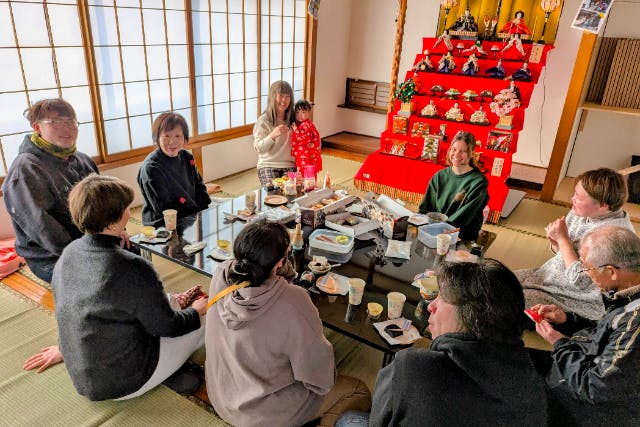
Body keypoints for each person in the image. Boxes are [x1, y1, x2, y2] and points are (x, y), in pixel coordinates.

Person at [22, 175, 207, 400]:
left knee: (165, 300)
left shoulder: (70, 252)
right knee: (210, 317)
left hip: (84, 372)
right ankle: (169, 370)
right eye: (127, 208)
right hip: (124, 380)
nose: (130, 213)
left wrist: (67, 349)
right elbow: (168, 327)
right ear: (111, 223)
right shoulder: (133, 267)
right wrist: (197, 310)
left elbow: (73, 310)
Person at [337, 260, 547, 426]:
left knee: (349, 419)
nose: (431, 306)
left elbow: (378, 422)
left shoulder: (413, 368)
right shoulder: (536, 377)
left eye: (443, 298)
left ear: (471, 315)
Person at [205, 221, 371, 427]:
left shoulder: (221, 273)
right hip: (261, 414)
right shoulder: (293, 300)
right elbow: (318, 377)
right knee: (358, 390)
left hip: (223, 396)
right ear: (279, 263)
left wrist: (279, 266)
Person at [532, 226, 640, 426]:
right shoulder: (628, 296)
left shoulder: (635, 321)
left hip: (593, 411)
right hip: (584, 370)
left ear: (611, 271)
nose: (586, 274)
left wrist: (560, 344)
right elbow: (606, 335)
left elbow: (596, 388)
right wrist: (566, 320)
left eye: (588, 268)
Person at [516, 168, 633, 321]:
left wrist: (562, 239)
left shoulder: (613, 236)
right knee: (497, 278)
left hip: (576, 297)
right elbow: (565, 253)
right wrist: (556, 242)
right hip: (549, 276)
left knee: (509, 301)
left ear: (603, 204)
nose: (573, 199)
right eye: (575, 194)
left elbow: (580, 282)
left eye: (578, 197)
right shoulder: (583, 211)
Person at [1, 98, 98, 282]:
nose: (66, 128)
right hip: (51, 255)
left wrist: (116, 231)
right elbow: (42, 227)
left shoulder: (83, 160)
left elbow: (106, 202)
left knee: (135, 256)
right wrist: (86, 253)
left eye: (70, 121)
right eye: (56, 122)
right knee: (101, 278)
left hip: (90, 240)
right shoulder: (26, 169)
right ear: (37, 127)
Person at [137, 112, 211, 227]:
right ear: (157, 138)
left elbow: (199, 186)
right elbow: (164, 208)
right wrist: (194, 215)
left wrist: (205, 212)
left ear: (184, 137)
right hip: (163, 224)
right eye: (166, 136)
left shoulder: (187, 157)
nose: (172, 142)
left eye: (177, 136)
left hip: (191, 216)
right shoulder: (151, 168)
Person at [418, 131, 489, 242]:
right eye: (454, 149)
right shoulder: (439, 176)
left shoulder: (478, 182)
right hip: (435, 230)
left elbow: (465, 215)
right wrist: (423, 226)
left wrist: (440, 229)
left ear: (472, 153)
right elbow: (425, 208)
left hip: (462, 234)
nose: (456, 154)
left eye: (463, 151)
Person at [253, 80, 297, 189]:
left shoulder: (295, 118)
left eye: (287, 96)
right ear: (273, 97)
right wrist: (272, 135)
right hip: (268, 164)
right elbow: (259, 148)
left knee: (292, 192)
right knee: (273, 191)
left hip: (290, 165)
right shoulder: (264, 120)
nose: (284, 100)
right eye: (280, 95)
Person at [290, 99, 322, 179]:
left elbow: (304, 139)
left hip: (306, 155)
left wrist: (295, 130)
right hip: (309, 154)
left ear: (309, 112)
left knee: (305, 172)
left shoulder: (305, 125)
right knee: (309, 173)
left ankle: (307, 185)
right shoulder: (308, 123)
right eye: (297, 112)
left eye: (303, 112)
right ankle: (310, 184)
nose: (300, 115)